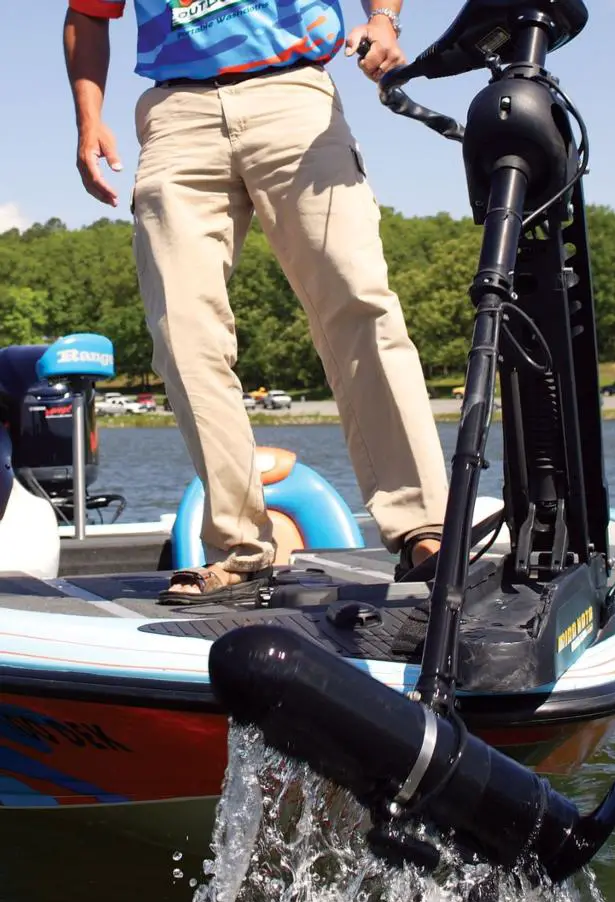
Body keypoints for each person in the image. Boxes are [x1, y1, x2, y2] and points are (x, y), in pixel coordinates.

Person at [64, 0, 448, 604]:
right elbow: (87, 13)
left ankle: (424, 527)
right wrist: (89, 119)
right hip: (175, 111)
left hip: (293, 97)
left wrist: (383, 19)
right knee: (184, 335)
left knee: (359, 304)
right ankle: (240, 549)